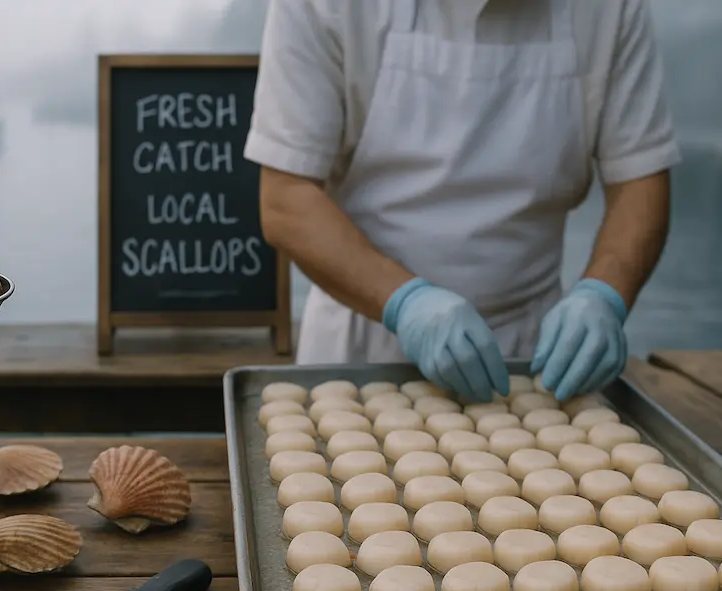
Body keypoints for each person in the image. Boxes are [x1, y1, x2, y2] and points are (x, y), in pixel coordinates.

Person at [244, 0, 678, 402]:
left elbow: (640, 181)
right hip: (360, 351)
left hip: (536, 358)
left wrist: (603, 295)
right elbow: (287, 200)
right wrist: (405, 303)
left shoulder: (607, 9)